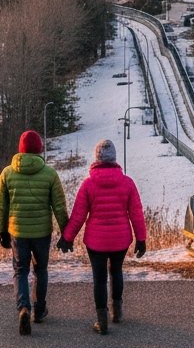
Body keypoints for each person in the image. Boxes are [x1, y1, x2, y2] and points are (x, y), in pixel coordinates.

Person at [58, 138, 146, 334]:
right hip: (121, 239)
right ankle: (118, 313)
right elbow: (136, 213)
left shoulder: (88, 184)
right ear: (114, 159)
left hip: (96, 241)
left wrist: (67, 237)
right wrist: (141, 239)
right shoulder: (128, 183)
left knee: (99, 278)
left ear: (97, 158)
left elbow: (78, 215)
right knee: (116, 272)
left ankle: (102, 319)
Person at [0, 129, 70, 335]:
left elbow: (1, 206)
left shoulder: (7, 173)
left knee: (20, 271)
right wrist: (67, 234)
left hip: (17, 233)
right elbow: (59, 207)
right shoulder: (50, 174)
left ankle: (23, 308)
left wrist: (2, 231)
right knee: (41, 270)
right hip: (41, 233)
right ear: (39, 150)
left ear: (20, 150)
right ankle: (39, 310)